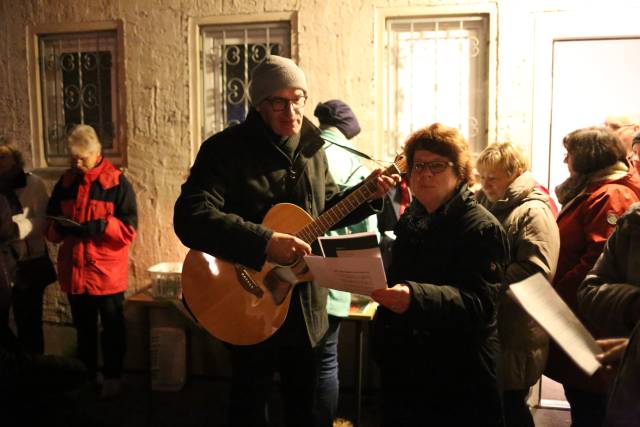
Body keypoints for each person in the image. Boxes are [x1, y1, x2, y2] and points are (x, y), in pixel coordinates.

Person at [173, 55, 398, 427]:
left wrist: (368, 194)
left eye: (298, 99)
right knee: (249, 401)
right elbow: (190, 218)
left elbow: (326, 212)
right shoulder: (225, 150)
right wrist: (264, 241)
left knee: (305, 407)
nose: (291, 110)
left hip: (306, 305)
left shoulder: (313, 149)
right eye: (279, 102)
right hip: (246, 298)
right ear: (259, 105)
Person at [371, 123, 509, 427]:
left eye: (437, 166)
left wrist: (414, 297)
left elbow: (481, 305)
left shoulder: (481, 228)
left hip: (459, 376)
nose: (425, 174)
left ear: (460, 173)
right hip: (409, 369)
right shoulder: (414, 218)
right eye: (418, 166)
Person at [545, 126, 640, 427]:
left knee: (593, 411)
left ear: (586, 157)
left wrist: (552, 298)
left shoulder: (612, 194)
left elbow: (595, 263)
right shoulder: (595, 190)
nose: (565, 161)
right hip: (581, 320)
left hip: (593, 328)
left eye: (569, 154)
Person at [46, 124, 138, 399]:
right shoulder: (65, 183)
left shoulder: (117, 183)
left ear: (96, 152)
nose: (76, 163)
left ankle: (113, 377)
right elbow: (50, 225)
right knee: (83, 329)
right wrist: (59, 229)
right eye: (72, 158)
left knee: (112, 329)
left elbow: (129, 230)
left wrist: (102, 226)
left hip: (105, 273)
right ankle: (87, 376)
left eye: (81, 158)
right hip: (75, 271)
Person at [475, 142, 560, 427]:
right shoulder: (487, 201)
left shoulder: (533, 211)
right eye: (482, 175)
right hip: (495, 324)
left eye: (493, 177)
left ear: (514, 173)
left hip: (516, 327)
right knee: (494, 406)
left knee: (511, 408)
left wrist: (483, 279)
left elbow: (536, 271)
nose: (485, 183)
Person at [312, 99, 377, 426]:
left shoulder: (303, 152)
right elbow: (366, 232)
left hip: (291, 273)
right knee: (326, 362)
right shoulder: (355, 163)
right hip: (335, 276)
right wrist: (363, 288)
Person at [0, 137, 55, 354]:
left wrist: (17, 228)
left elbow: (45, 220)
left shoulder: (33, 184)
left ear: (16, 159)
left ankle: (33, 368)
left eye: (3, 156)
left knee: (30, 323)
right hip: (3, 264)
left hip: (28, 263)